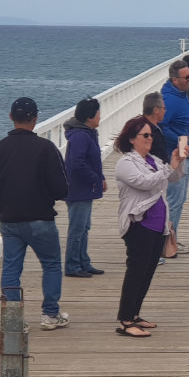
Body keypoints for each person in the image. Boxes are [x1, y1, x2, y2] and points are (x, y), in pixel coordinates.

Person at [0, 97, 70, 330]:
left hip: (9, 220)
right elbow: (62, 188)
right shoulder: (46, 148)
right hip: (40, 218)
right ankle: (50, 314)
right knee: (51, 265)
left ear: (11, 117)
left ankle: (14, 321)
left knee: (11, 268)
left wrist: (0, 205)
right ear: (35, 118)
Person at [112, 116, 185, 337]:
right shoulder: (125, 163)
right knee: (136, 272)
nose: (150, 139)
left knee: (147, 272)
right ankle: (125, 320)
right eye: (145, 135)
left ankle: (135, 314)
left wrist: (177, 161)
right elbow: (144, 183)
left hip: (157, 226)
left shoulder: (153, 160)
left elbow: (173, 178)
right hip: (139, 225)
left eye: (151, 135)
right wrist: (168, 169)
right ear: (132, 139)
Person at [62, 97, 106, 278]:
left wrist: (101, 178)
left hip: (85, 188)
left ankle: (83, 262)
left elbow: (92, 161)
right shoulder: (80, 136)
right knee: (77, 228)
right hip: (78, 189)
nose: (100, 116)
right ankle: (72, 265)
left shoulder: (88, 133)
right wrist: (95, 178)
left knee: (84, 227)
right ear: (89, 117)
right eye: (98, 113)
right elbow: (76, 163)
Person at [160, 59, 189, 254]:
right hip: (178, 155)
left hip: (187, 154)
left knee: (180, 199)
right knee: (174, 201)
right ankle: (166, 243)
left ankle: (172, 238)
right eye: (186, 77)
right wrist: (179, 141)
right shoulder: (169, 99)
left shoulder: (180, 94)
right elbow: (161, 125)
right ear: (175, 80)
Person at [142, 91, 171, 162]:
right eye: (164, 108)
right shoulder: (145, 131)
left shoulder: (157, 126)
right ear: (156, 110)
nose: (165, 111)